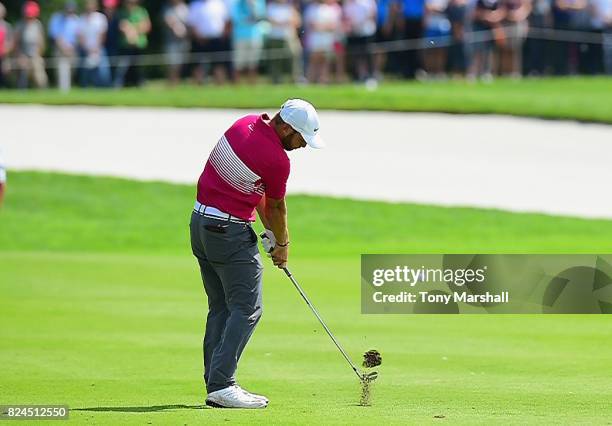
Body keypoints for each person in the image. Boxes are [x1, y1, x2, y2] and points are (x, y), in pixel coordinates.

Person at [190, 99, 325, 409]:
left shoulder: (244, 125)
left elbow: (255, 191)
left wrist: (270, 235)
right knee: (247, 307)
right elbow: (277, 205)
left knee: (222, 307)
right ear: (288, 129)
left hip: (201, 223)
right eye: (301, 138)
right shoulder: (278, 159)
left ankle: (216, 382)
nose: (303, 145)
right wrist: (283, 244)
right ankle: (223, 384)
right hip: (227, 231)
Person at [187, 0, 231, 84]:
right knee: (198, 64)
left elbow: (226, 21)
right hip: (199, 40)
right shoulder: (195, 5)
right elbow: (191, 24)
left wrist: (223, 36)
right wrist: (198, 37)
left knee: (219, 63)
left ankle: (219, 85)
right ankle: (198, 86)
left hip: (217, 39)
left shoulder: (219, 4)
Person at [265, 0, 303, 84]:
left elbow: (297, 21)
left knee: (293, 57)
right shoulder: (271, 7)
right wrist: (283, 23)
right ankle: (276, 81)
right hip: (275, 37)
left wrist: (287, 22)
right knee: (275, 60)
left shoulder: (290, 7)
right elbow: (270, 21)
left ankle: (295, 79)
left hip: (289, 37)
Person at [114, 0, 151, 87]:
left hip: (139, 45)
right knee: (122, 67)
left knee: (138, 67)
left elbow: (147, 26)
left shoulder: (142, 11)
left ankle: (140, 84)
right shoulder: (121, 13)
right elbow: (122, 27)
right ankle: (118, 84)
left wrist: (132, 31)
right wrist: (134, 29)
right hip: (125, 46)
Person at [14, 1, 48, 89]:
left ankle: (42, 91)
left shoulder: (38, 25)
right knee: (23, 70)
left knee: (38, 70)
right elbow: (16, 44)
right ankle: (21, 92)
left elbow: (42, 44)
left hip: (35, 55)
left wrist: (37, 55)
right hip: (23, 56)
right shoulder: (20, 25)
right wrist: (20, 56)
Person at [48, 0, 81, 91]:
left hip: (73, 50)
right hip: (59, 50)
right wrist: (64, 47)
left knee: (71, 72)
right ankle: (62, 92)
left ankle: (67, 91)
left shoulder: (76, 20)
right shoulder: (56, 18)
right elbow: (55, 35)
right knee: (61, 72)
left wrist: (71, 48)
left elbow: (79, 37)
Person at [231, 0, 266, 84]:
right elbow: (237, 19)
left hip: (255, 36)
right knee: (238, 64)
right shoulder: (238, 3)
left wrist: (253, 6)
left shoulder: (260, 2)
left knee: (253, 63)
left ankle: (252, 85)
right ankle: (236, 86)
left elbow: (260, 17)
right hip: (240, 37)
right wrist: (249, 19)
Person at [78, 0, 111, 87]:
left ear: (95, 6)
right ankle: (84, 90)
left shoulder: (101, 18)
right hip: (86, 50)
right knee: (84, 74)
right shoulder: (81, 19)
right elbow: (80, 36)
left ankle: (105, 89)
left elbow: (103, 34)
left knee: (104, 73)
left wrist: (96, 48)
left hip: (99, 49)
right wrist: (88, 49)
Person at [343, 0, 377, 81]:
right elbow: (346, 17)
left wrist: (358, 24)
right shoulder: (348, 3)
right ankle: (358, 76)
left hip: (366, 32)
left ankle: (371, 76)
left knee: (368, 55)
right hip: (353, 33)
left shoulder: (367, 2)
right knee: (355, 55)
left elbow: (372, 15)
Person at [162, 0, 190, 85]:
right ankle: (171, 83)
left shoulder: (185, 8)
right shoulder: (167, 8)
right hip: (172, 42)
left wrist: (185, 31)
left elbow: (190, 22)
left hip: (184, 41)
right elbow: (167, 20)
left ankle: (176, 82)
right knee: (172, 64)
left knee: (181, 64)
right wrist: (175, 27)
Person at [0, 2, 13, 88]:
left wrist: (6, 50)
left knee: (4, 72)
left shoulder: (7, 26)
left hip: (3, 55)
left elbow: (11, 42)